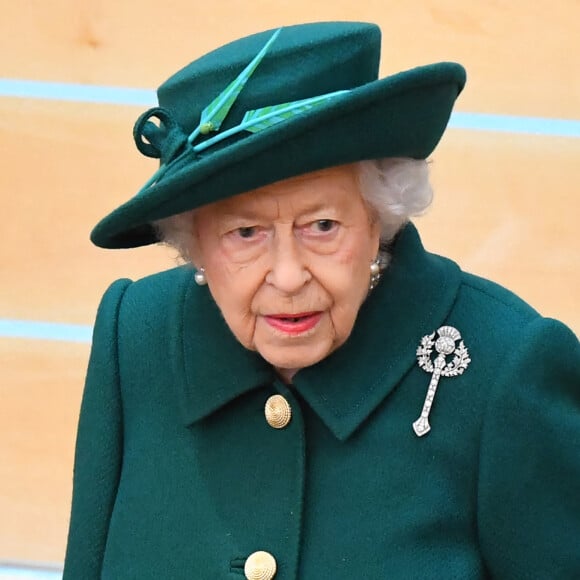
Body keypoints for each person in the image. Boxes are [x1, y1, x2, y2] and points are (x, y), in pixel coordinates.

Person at [63, 21, 580, 579]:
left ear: (380, 216)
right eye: (245, 233)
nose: (287, 276)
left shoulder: (506, 366)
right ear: (195, 243)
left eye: (323, 225)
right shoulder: (135, 335)